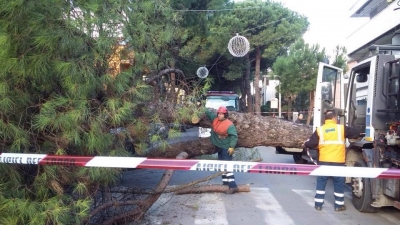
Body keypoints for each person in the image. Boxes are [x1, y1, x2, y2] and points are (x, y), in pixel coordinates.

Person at [303, 110, 359, 212]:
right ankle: (339, 205)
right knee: (338, 182)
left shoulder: (320, 130)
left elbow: (311, 144)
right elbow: (356, 133)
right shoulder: (341, 128)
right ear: (334, 118)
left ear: (326, 119)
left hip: (324, 161)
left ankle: (318, 205)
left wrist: (305, 144)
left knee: (321, 182)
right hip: (338, 161)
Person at [205, 106, 239, 194]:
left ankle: (233, 186)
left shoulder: (229, 124)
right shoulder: (215, 120)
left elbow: (234, 136)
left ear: (225, 115)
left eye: (221, 114)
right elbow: (209, 114)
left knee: (227, 167)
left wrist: (232, 147)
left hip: (226, 148)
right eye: (218, 113)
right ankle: (225, 184)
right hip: (219, 146)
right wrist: (202, 108)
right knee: (222, 166)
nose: (219, 115)